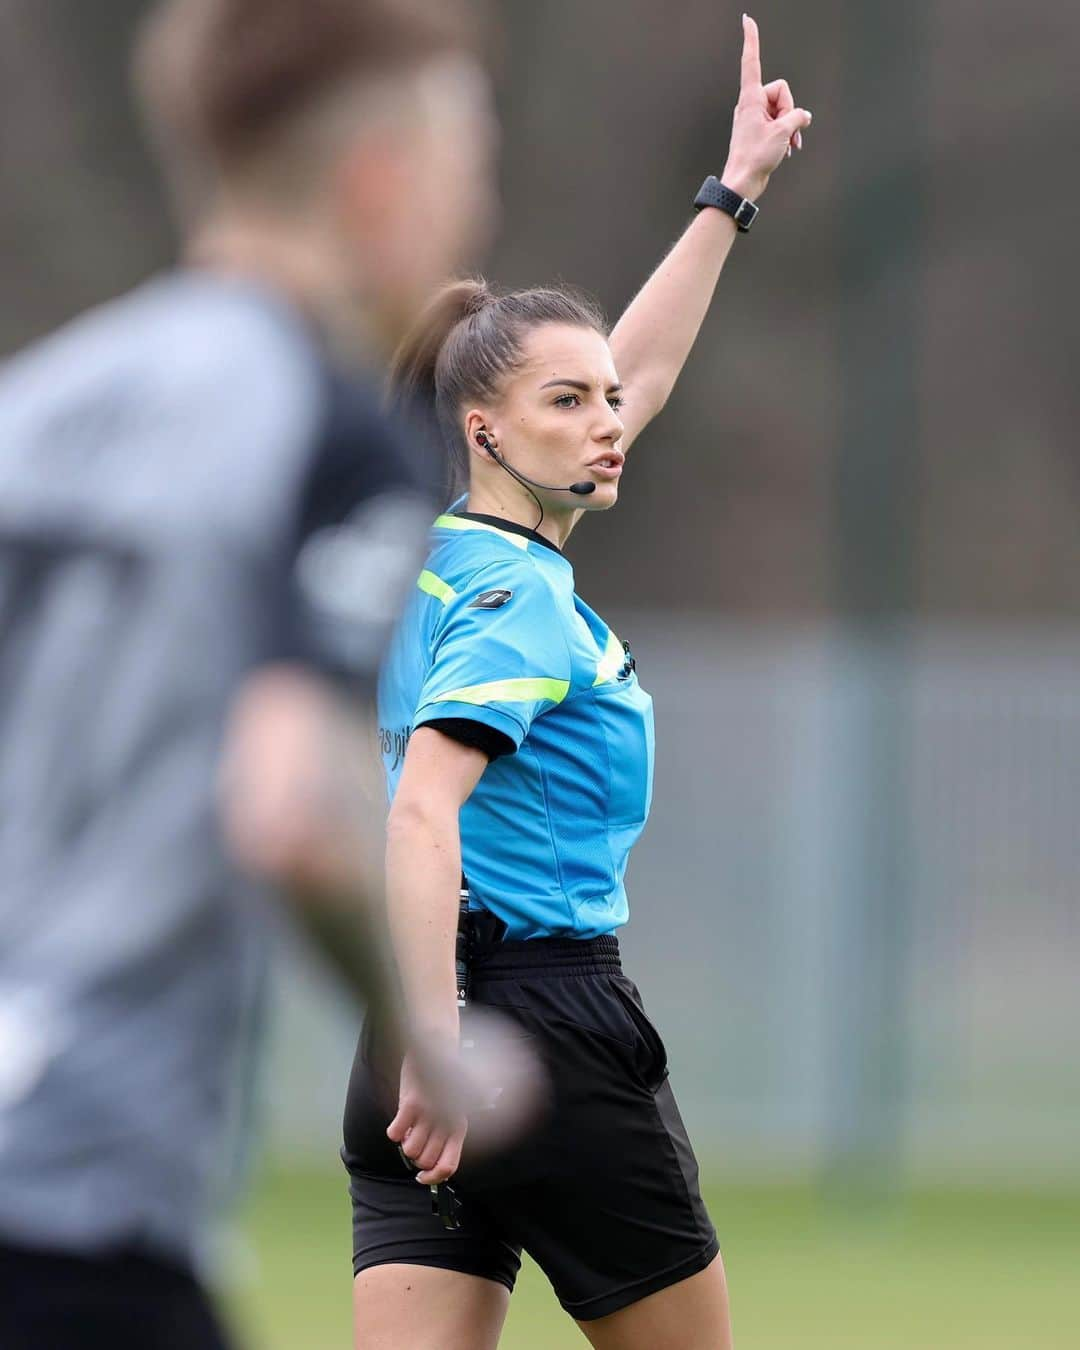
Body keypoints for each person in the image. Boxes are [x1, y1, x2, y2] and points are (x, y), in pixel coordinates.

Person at [0, 1, 505, 1346]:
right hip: (80, 1213)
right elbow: (294, 803)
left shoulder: (41, 402)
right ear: (379, 186)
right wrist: (431, 1038)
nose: (477, 220)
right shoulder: (335, 433)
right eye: (470, 175)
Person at [341, 14, 812, 1350]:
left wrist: (731, 194)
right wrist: (450, 1045)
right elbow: (422, 813)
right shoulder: (517, 600)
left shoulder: (430, 550)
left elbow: (642, 369)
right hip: (534, 1029)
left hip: (409, 1024)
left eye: (606, 401)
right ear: (484, 426)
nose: (608, 421)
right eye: (570, 403)